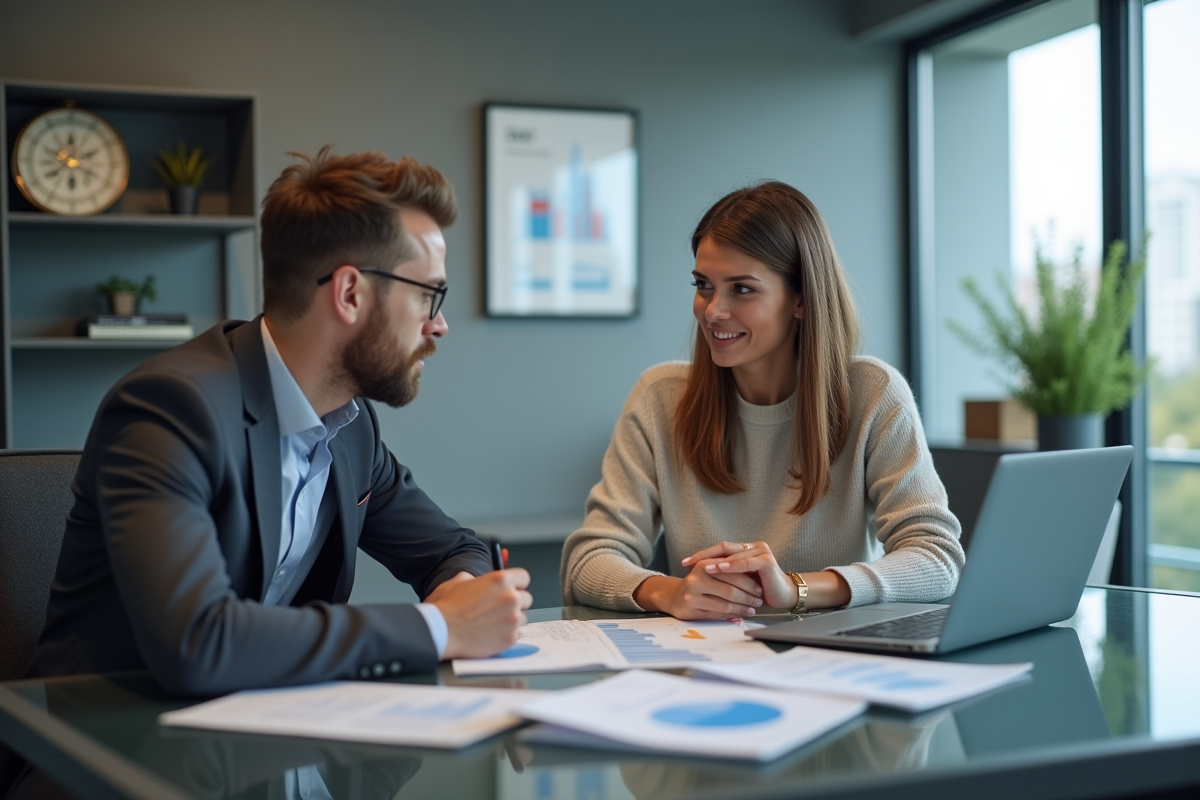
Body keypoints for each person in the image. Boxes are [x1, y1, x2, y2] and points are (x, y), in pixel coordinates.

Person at [23, 148, 532, 696]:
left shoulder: (351, 425)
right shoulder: (170, 408)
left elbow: (452, 546)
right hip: (107, 746)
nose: (440, 326)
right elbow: (197, 643)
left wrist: (464, 594)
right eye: (430, 295)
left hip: (266, 736)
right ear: (350, 293)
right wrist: (440, 628)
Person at [561, 181, 963, 619]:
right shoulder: (660, 398)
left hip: (829, 663)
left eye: (742, 289)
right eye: (704, 285)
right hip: (707, 660)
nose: (713, 311)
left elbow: (936, 557)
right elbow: (588, 560)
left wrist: (795, 590)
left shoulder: (873, 394)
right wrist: (670, 593)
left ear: (802, 299)